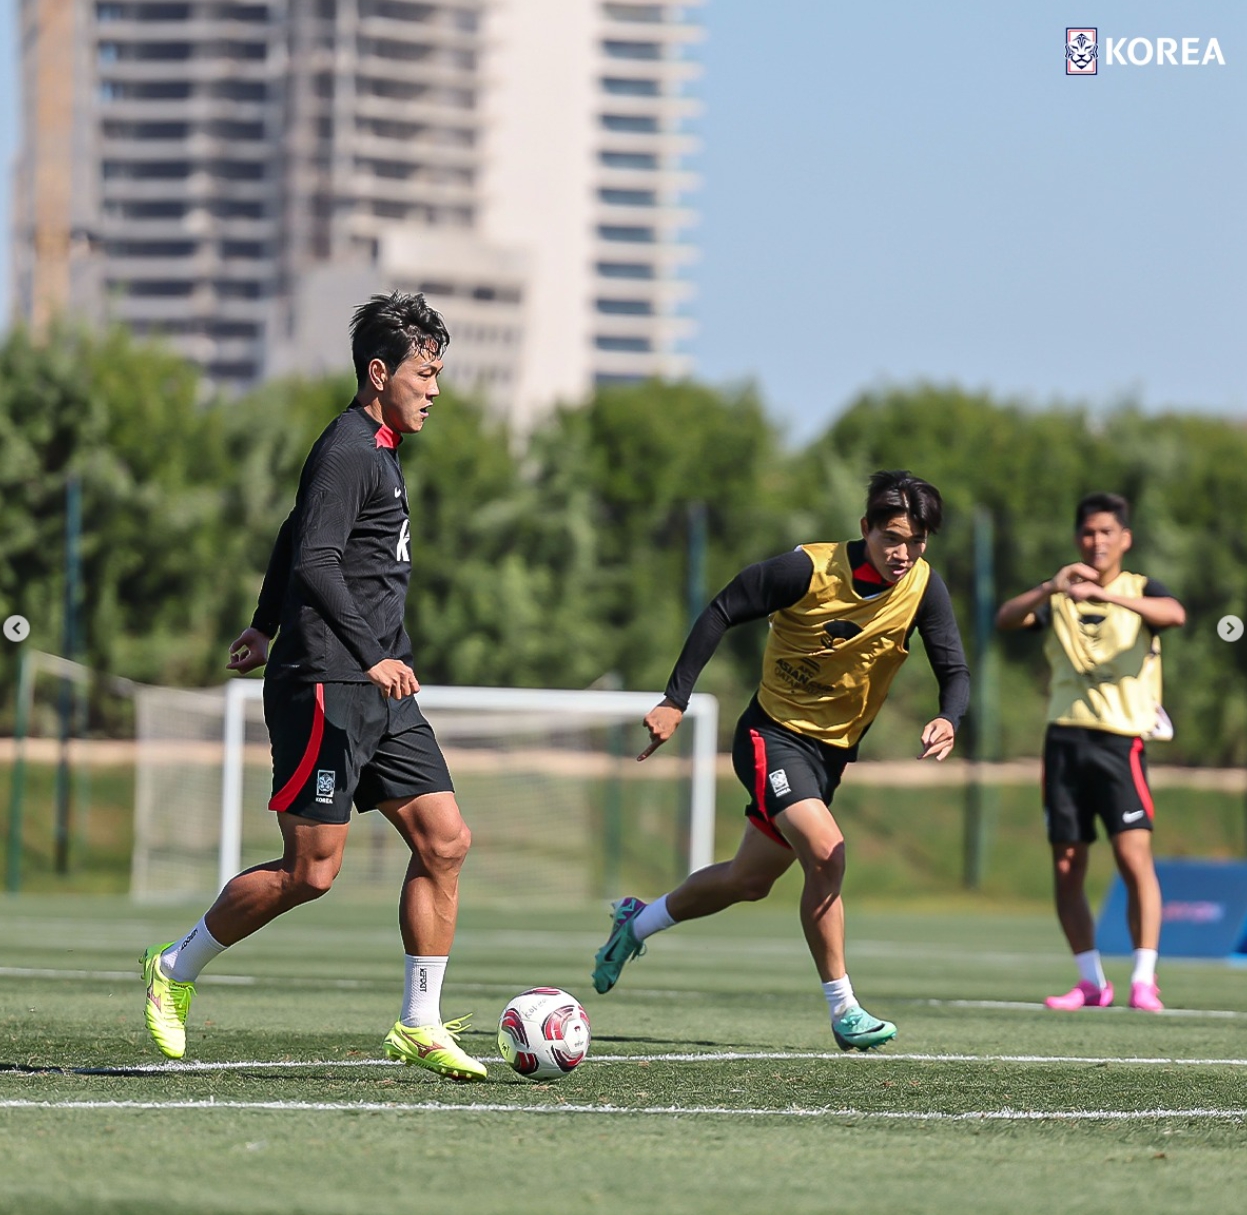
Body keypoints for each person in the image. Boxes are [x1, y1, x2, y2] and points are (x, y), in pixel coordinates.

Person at [142, 292, 486, 1080]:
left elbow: (295, 532)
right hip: (328, 681)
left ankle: (418, 1022)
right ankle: (173, 967)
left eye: (438, 373)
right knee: (311, 871)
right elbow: (318, 561)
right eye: (424, 373)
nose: (434, 388)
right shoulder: (348, 449)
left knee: (446, 839)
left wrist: (261, 622)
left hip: (379, 686)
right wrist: (363, 652)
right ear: (379, 371)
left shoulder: (380, 446)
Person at [591, 470, 970, 1051]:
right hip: (772, 735)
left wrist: (950, 716)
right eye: (893, 537)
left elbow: (955, 670)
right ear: (865, 527)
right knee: (827, 851)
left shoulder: (924, 587)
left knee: (749, 881)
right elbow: (720, 609)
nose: (904, 553)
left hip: (830, 756)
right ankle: (845, 1010)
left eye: (917, 541)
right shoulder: (807, 570)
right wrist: (674, 700)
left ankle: (636, 923)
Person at [996, 491, 1185, 1013]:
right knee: (1067, 865)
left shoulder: (1142, 589)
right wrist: (1051, 587)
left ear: (1124, 538)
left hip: (1120, 741)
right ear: (1077, 537)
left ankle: (1145, 979)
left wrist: (1109, 598)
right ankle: (1091, 981)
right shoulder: (1059, 597)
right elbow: (1006, 618)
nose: (1096, 541)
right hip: (1064, 740)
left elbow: (1175, 614)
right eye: (1088, 532)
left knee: (1132, 857)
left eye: (1106, 532)